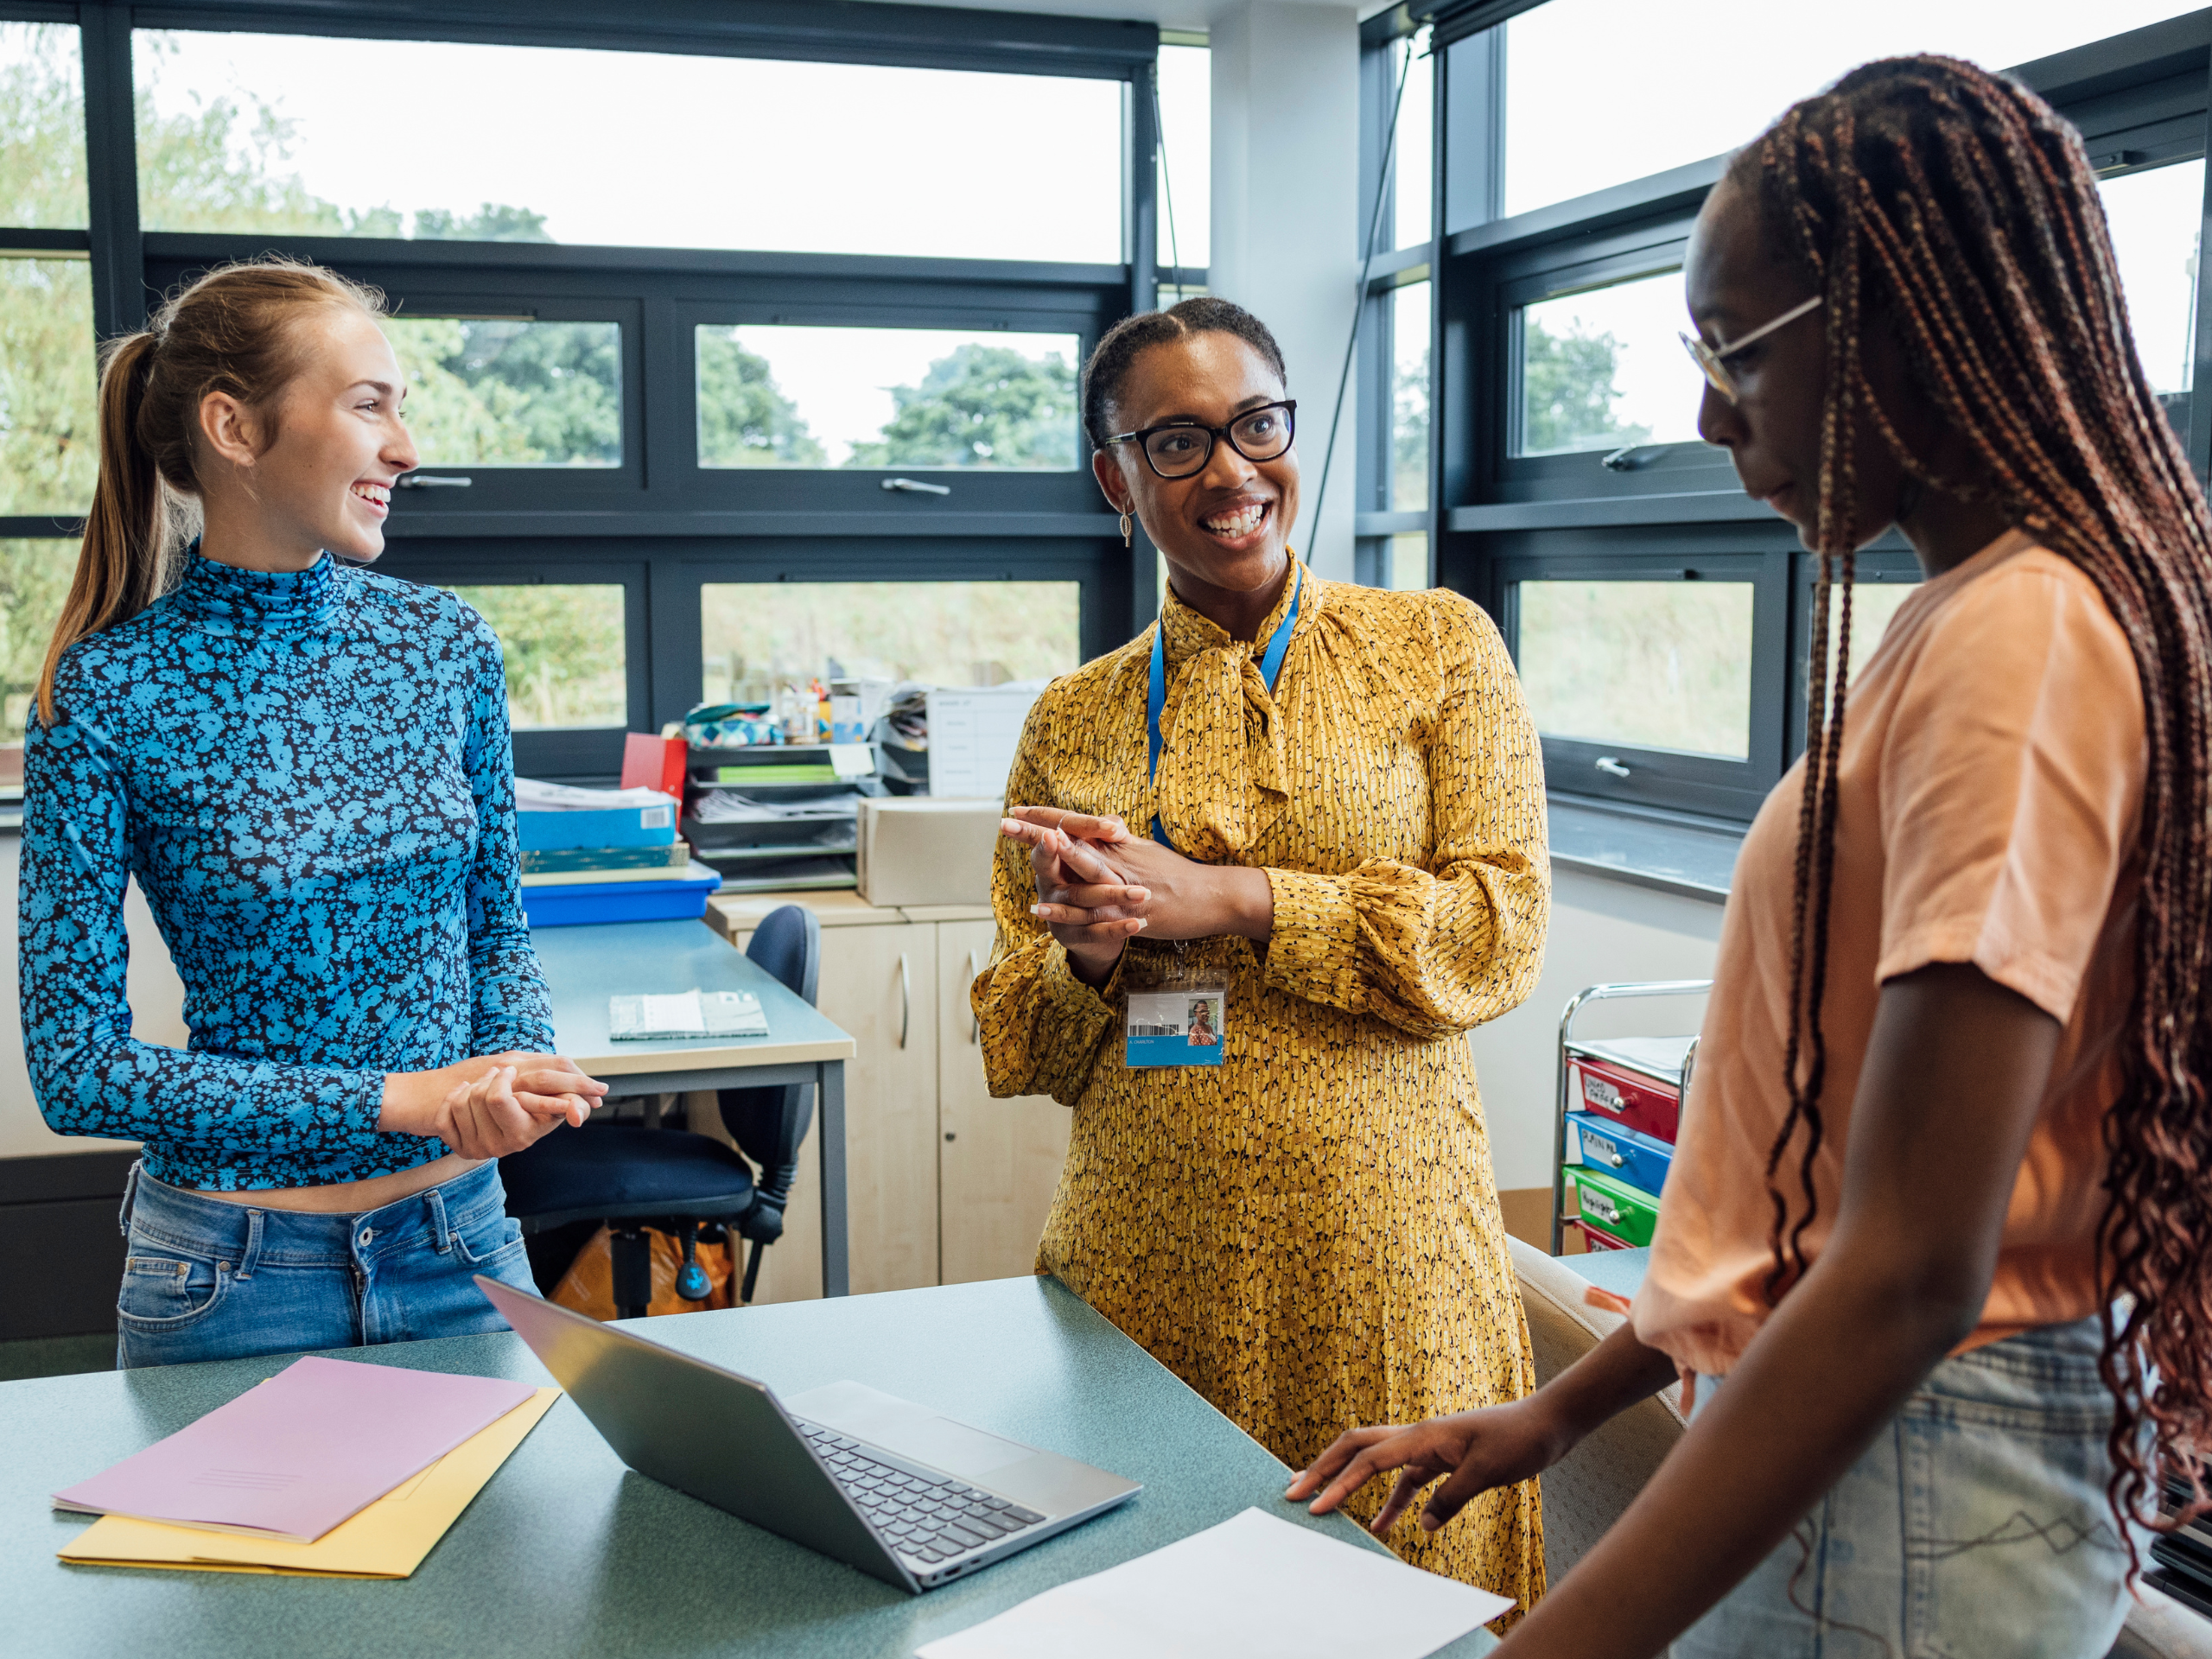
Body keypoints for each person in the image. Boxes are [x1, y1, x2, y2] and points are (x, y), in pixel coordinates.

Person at [1289, 56, 2212, 1656]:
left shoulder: (2028, 642)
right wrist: (1563, 1413)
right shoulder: (1985, 615)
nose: (1708, 414)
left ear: (1904, 326)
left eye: (1737, 354)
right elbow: (1823, 1183)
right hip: (1891, 1441)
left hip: (1917, 1455)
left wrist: (1552, 1646)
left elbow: (1914, 1264)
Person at [973, 296, 1551, 1617]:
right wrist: (1095, 961)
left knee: (1414, 1605)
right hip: (1140, 1271)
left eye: (1256, 425)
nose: (1231, 471)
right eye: (1175, 443)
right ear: (1114, 477)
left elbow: (1497, 931)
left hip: (1390, 1268)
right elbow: (1017, 1032)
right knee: (1163, 1615)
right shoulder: (1077, 715)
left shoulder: (1438, 648)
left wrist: (1234, 900)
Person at [20, 257, 608, 1370]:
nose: (406, 447)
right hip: (232, 1277)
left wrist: (507, 1073)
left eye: (403, 407)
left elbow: (493, 923)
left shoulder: (448, 648)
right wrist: (407, 1098)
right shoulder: (105, 693)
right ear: (234, 427)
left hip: (464, 1250)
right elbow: (77, 1069)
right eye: (367, 404)